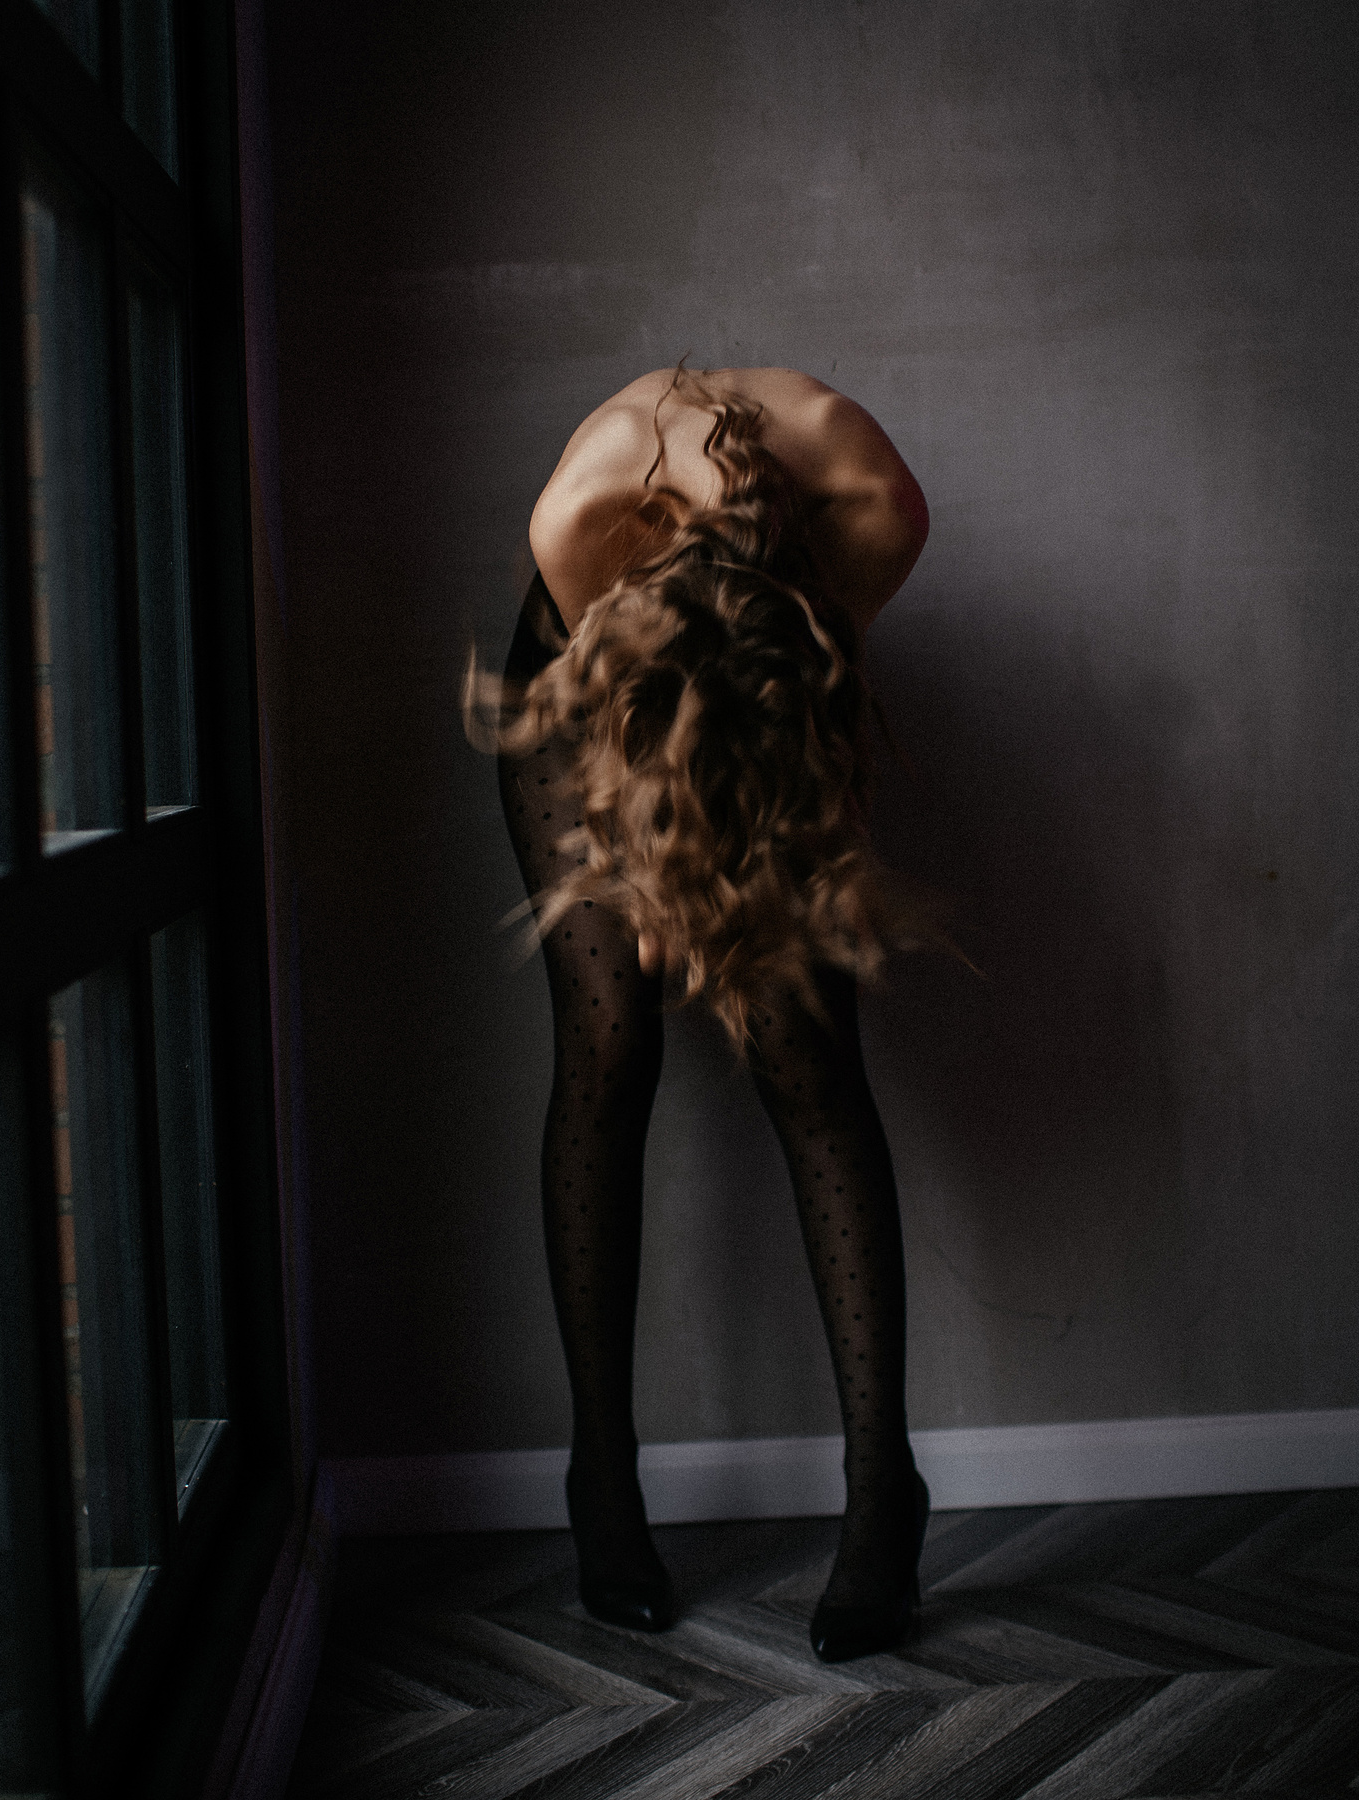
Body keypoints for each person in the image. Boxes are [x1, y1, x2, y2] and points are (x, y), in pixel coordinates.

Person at [468, 362, 936, 1662]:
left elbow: (823, 714)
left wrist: (765, 860)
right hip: (592, 692)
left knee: (802, 1047)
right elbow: (629, 760)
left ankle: (882, 1493)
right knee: (611, 1034)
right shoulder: (579, 518)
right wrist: (661, 890)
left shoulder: (873, 499)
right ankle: (599, 1475)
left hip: (784, 691)